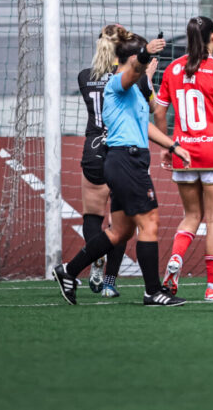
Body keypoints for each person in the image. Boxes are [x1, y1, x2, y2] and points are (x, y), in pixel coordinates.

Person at [53, 26, 191, 306]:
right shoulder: (117, 83)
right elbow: (133, 71)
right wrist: (146, 53)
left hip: (130, 161)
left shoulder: (136, 91)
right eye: (138, 60)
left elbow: (146, 126)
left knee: (120, 231)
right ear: (130, 60)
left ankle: (68, 270)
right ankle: (152, 291)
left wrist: (173, 145)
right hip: (125, 160)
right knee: (149, 222)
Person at [153, 16, 213, 301]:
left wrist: (168, 146)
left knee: (191, 216)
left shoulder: (172, 69)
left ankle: (176, 259)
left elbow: (158, 112)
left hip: (184, 152)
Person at [76, 24, 158, 298]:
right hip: (120, 145)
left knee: (92, 214)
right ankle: (110, 282)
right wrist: (147, 75)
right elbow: (152, 106)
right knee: (121, 220)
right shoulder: (127, 77)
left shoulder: (84, 76)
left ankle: (91, 262)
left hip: (93, 146)